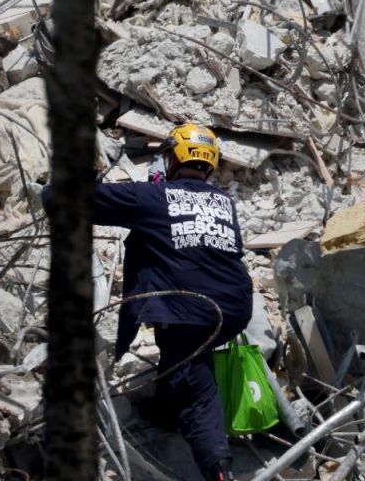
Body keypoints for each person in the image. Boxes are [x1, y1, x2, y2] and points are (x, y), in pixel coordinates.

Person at [40, 123, 252, 481]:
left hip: (191, 309)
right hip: (235, 306)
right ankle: (164, 413)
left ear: (173, 158)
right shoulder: (223, 203)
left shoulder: (153, 198)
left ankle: (218, 471)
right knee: (182, 358)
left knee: (195, 393)